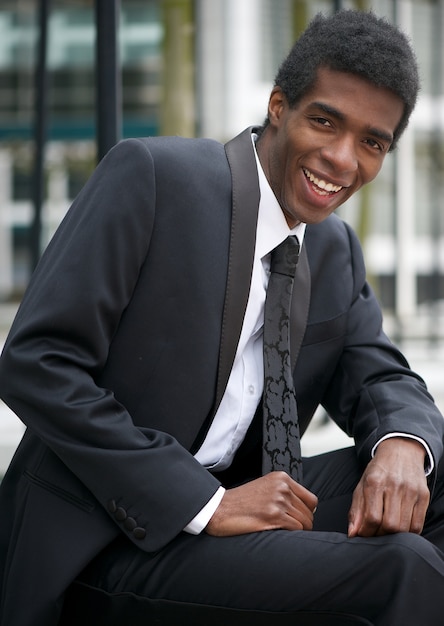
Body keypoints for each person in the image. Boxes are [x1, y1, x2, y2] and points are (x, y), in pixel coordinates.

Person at [1, 9, 444, 626]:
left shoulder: (333, 249)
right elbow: (35, 362)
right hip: (113, 539)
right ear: (279, 106)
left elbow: (380, 377)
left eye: (373, 142)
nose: (344, 160)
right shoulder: (154, 179)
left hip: (255, 501)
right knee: (404, 565)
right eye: (325, 121)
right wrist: (204, 503)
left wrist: (401, 443)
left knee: (434, 479)